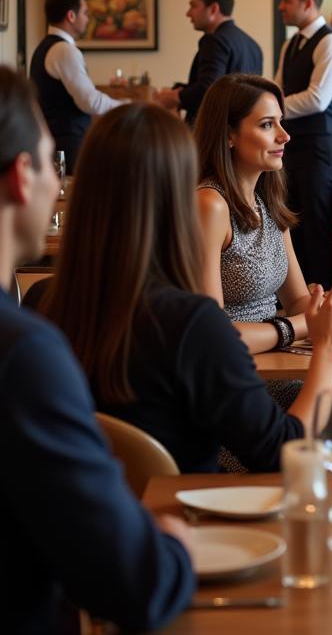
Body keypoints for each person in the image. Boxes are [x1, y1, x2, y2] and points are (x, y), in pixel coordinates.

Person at [32, 101, 332, 474]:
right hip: (195, 514)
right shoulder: (190, 324)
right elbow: (282, 454)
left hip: (92, 512)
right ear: (176, 198)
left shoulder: (41, 302)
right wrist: (329, 350)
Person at [0, 67, 194, 633]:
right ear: (20, 177)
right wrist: (172, 539)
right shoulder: (24, 354)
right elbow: (136, 585)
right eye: (50, 160)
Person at [193, 74, 332, 472]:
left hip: (276, 368)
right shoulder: (210, 205)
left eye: (281, 122)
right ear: (228, 134)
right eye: (267, 125)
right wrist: (299, 327)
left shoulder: (267, 202)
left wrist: (330, 310)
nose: (285, 136)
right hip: (236, 394)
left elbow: (297, 300)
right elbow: (213, 339)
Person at [274, 0, 332, 286]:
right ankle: (297, 302)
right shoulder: (291, 43)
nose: (281, 7)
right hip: (290, 146)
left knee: (316, 229)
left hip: (319, 148)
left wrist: (272, 111)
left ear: (307, 3)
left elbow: (317, 99)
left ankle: (320, 304)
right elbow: (277, 86)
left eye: (286, 1)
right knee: (292, 225)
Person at [29, 0, 124, 173]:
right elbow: (90, 102)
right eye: (85, 13)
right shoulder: (64, 51)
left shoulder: (43, 47)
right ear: (71, 16)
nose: (88, 19)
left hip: (53, 140)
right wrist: (128, 105)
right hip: (68, 144)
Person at [153, 0, 262, 124]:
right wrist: (180, 90)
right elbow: (229, 86)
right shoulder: (252, 45)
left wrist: (174, 97)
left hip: (212, 133)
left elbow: (209, 88)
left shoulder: (214, 40)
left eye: (193, 6)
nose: (188, 13)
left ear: (213, 9)